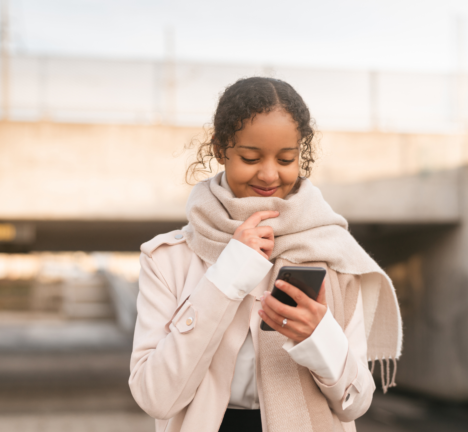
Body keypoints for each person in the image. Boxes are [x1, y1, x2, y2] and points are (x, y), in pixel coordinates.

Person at [129, 77, 402, 432]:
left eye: (286, 159)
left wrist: (317, 335)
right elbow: (155, 397)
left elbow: (356, 402)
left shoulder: (332, 252)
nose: (270, 174)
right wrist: (227, 274)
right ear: (219, 149)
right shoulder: (167, 259)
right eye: (250, 157)